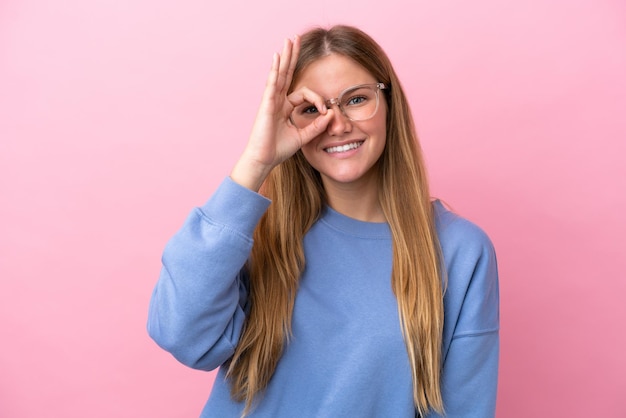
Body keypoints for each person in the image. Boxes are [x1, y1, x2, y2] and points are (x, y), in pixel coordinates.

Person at [147, 25, 499, 418]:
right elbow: (180, 335)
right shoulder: (252, 235)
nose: (337, 124)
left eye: (356, 99)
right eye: (311, 109)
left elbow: (464, 407)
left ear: (389, 104)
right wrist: (256, 163)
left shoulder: (460, 251)